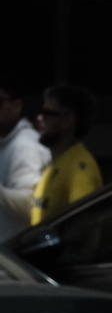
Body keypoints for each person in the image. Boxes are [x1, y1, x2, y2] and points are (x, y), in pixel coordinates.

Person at [30, 84, 101, 225]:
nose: (39, 118)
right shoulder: (54, 164)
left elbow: (81, 230)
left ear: (68, 119)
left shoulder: (80, 170)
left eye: (47, 113)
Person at [0, 78, 50, 239]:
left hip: (16, 254)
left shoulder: (26, 145)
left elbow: (31, 205)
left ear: (16, 105)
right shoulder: (7, 142)